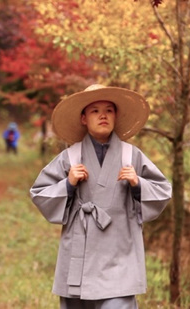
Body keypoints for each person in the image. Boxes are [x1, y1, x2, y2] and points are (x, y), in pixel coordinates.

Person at [30, 84, 172, 308]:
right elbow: (39, 193)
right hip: (80, 252)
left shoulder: (130, 155)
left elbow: (163, 190)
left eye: (109, 110)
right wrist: (68, 183)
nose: (103, 115)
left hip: (119, 253)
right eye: (95, 111)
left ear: (116, 116)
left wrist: (138, 184)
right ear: (84, 118)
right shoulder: (71, 156)